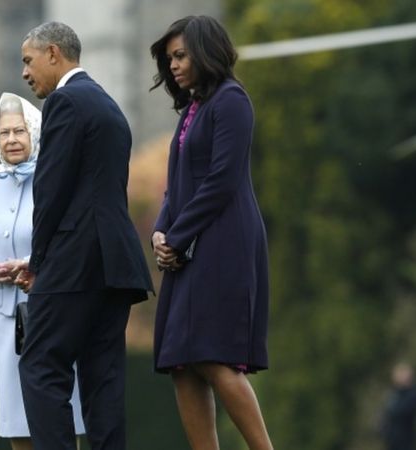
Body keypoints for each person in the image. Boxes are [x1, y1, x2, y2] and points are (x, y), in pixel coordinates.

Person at [15, 22, 154, 450]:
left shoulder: (65, 102)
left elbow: (50, 191)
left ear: (53, 53)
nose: (24, 72)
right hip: (115, 265)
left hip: (75, 261)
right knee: (103, 379)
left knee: (40, 365)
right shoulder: (109, 106)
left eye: (28, 61)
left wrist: (37, 263)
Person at [149, 16, 273, 450]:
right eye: (170, 59)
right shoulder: (192, 109)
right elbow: (177, 182)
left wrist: (178, 237)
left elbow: (222, 180)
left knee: (214, 356)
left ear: (206, 52)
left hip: (224, 243)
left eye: (181, 55)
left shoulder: (232, 101)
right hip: (186, 246)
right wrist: (161, 233)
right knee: (181, 362)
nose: (175, 66)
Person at [0, 92, 86, 450]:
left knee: (58, 415)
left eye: (19, 131)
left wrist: (31, 265)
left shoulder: (53, 174)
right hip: (7, 316)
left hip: (49, 310)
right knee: (15, 421)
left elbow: (69, 239)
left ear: (35, 132)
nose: (11, 140)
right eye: (4, 132)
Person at [380, 362, 416, 450]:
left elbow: (400, 411)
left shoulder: (413, 394)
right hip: (392, 439)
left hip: (405, 438)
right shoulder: (396, 393)